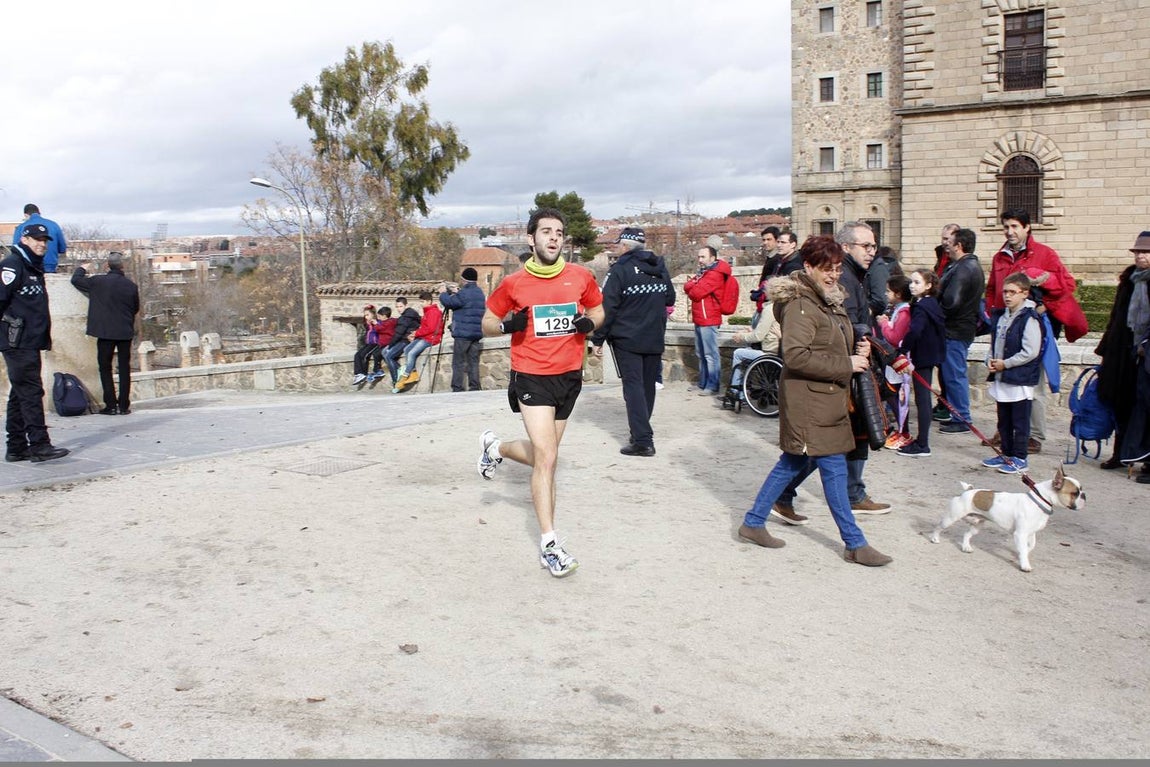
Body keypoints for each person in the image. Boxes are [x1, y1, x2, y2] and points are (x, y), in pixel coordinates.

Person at [735, 235, 892, 567]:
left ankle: (753, 522)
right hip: (810, 400)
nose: (833, 275)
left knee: (793, 463)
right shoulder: (801, 304)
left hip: (826, 397)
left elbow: (829, 341)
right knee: (833, 468)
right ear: (808, 266)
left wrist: (858, 347)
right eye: (826, 268)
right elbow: (795, 356)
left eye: (837, 268)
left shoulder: (825, 298)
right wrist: (846, 363)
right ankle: (855, 543)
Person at [475, 207, 604, 578]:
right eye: (546, 231)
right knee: (547, 458)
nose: (553, 238)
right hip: (531, 376)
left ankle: (496, 448)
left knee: (546, 455)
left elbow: (599, 311)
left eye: (559, 233)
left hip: (569, 376)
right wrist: (507, 326)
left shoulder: (580, 276)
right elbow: (486, 323)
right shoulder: (513, 284)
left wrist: (588, 323)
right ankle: (550, 545)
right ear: (531, 238)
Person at [770, 223, 893, 522]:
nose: (871, 251)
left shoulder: (849, 277)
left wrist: (862, 345)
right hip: (828, 380)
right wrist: (856, 354)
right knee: (827, 446)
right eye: (866, 246)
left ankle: (775, 504)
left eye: (874, 246)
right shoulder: (826, 288)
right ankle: (847, 505)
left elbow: (847, 327)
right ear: (846, 247)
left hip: (841, 373)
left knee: (832, 445)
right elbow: (808, 348)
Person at [987, 208, 1088, 452]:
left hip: (1032, 325)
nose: (1009, 231)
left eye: (1014, 226)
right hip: (1005, 323)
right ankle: (1005, 429)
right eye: (1006, 227)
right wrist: (992, 313)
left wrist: (1045, 305)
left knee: (1033, 380)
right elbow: (992, 289)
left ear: (1027, 227)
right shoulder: (1000, 257)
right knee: (1003, 377)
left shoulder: (1045, 254)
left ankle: (1034, 435)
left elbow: (1066, 285)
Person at [591, 227, 675, 456]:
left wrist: (597, 339)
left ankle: (642, 440)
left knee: (633, 388)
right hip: (654, 335)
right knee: (647, 387)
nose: (617, 249)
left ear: (625, 246)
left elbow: (608, 307)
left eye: (619, 245)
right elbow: (670, 297)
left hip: (627, 338)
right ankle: (640, 430)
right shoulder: (660, 267)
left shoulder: (619, 270)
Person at [1, 224, 69, 462]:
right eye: (37, 239)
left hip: (30, 340)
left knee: (20, 393)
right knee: (31, 392)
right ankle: (40, 445)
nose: (42, 244)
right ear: (25, 240)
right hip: (17, 341)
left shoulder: (32, 266)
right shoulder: (12, 265)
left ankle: (16, 447)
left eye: (44, 240)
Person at [1095, 231, 1150, 473]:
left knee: (1146, 406)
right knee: (1121, 402)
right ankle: (1120, 453)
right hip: (1125, 350)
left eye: (1145, 252)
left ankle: (1148, 461)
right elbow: (1116, 317)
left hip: (1147, 353)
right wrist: (1106, 348)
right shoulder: (1129, 280)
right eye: (1137, 251)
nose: (1140, 256)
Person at [981, 272, 1043, 475]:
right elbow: (996, 343)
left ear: (1024, 293)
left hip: (1019, 378)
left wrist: (1005, 364)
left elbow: (1030, 351)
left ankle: (1020, 457)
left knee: (1020, 421)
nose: (1007, 296)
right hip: (1002, 376)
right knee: (1004, 419)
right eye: (1005, 292)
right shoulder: (1001, 316)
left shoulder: (1029, 318)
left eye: (1012, 292)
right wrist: (990, 360)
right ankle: (1006, 453)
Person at [69, 252, 140, 415]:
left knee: (105, 367)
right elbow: (135, 308)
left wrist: (82, 268)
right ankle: (124, 406)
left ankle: (111, 405)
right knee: (124, 368)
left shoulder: (98, 281)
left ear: (107, 266)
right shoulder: (131, 286)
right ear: (122, 266)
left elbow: (76, 280)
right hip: (124, 332)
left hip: (105, 332)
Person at [936, 228, 986, 435]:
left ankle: (962, 417)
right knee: (953, 374)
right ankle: (957, 414)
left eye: (951, 243)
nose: (946, 246)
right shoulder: (968, 266)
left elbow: (952, 301)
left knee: (954, 375)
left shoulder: (964, 268)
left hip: (955, 330)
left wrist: (938, 310)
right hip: (960, 328)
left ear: (959, 245)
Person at [895, 270, 946, 457]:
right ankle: (922, 440)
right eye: (911, 282)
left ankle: (923, 443)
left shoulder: (922, 306)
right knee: (923, 398)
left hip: (923, 356)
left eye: (917, 282)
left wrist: (903, 350)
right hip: (930, 354)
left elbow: (915, 330)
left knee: (922, 399)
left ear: (928, 286)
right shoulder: (930, 304)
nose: (912, 285)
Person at [683, 245, 730, 396]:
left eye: (703, 257)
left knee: (710, 354)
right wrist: (693, 284)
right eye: (699, 257)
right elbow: (687, 286)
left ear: (712, 258)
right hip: (700, 317)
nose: (700, 260)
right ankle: (703, 383)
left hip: (709, 318)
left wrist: (693, 284)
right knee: (701, 353)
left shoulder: (715, 274)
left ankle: (712, 385)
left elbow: (695, 293)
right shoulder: (704, 273)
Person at [876, 274, 912, 449]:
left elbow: (895, 337)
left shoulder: (904, 312)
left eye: (888, 291)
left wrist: (883, 324)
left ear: (898, 294)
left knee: (896, 396)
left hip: (898, 359)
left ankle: (904, 432)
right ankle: (900, 429)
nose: (886, 294)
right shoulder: (897, 309)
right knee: (892, 395)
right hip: (893, 360)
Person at [439, 267, 486, 392]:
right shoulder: (479, 293)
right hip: (476, 332)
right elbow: (465, 303)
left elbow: (449, 303)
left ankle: (457, 387)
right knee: (473, 361)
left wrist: (443, 293)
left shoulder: (464, 293)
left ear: (464, 279)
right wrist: (457, 292)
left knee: (458, 362)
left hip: (463, 333)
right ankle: (474, 386)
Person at [393, 292, 443, 392]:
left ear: (429, 301)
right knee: (407, 349)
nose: (421, 304)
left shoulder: (433, 312)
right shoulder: (427, 311)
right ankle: (413, 372)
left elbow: (431, 329)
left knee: (412, 353)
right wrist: (415, 334)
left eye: (422, 301)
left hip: (431, 338)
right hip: (424, 336)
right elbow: (424, 327)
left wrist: (416, 333)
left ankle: (406, 375)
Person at [12, 204, 67, 274]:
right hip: (50, 267)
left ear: (25, 215)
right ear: (39, 213)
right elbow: (62, 249)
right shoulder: (54, 225)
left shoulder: (21, 227)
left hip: (29, 268)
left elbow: (16, 250)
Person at [382, 296, 421, 385]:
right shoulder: (406, 315)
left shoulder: (407, 317)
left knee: (388, 356)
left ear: (406, 305)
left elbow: (399, 333)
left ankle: (396, 380)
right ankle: (400, 369)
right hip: (403, 338)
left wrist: (390, 345)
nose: (399, 309)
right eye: (397, 307)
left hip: (406, 340)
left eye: (401, 306)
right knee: (384, 352)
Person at [751, 226, 781, 327]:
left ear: (777, 240)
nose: (765, 242)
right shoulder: (771, 257)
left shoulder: (777, 259)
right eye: (764, 240)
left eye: (769, 239)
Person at [350, 304, 384, 385]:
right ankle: (358, 374)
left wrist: (376, 324)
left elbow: (381, 330)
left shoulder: (378, 322)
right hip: (368, 343)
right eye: (365, 315)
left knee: (364, 355)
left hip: (375, 343)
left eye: (367, 315)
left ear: (373, 314)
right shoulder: (367, 324)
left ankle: (364, 373)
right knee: (357, 355)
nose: (366, 317)